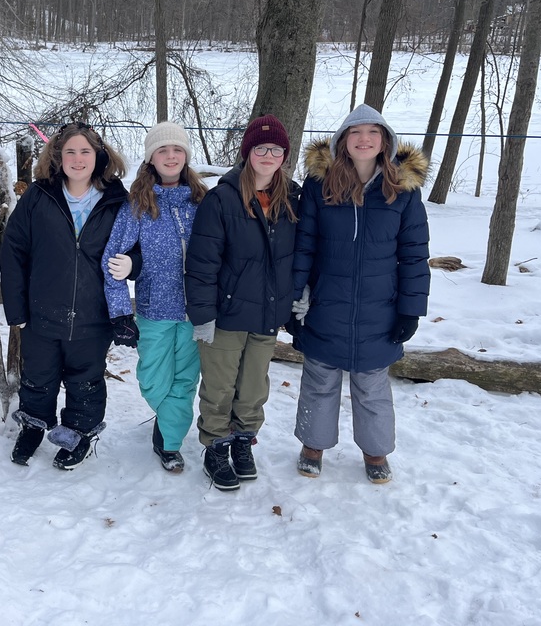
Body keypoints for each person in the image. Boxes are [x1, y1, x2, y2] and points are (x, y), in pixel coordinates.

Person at [288, 103, 430, 485]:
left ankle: (375, 450)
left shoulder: (402, 191)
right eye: (355, 132)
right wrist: (293, 298)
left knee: (372, 386)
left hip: (379, 309)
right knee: (319, 380)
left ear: (385, 141)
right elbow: (304, 246)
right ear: (342, 141)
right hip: (326, 304)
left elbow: (414, 254)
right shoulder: (319, 187)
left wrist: (410, 310)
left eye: (373, 132)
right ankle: (313, 445)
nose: (364, 140)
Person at [0, 121, 129, 470]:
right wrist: (16, 306)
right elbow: (13, 250)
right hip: (42, 310)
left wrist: (133, 263)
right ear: (57, 156)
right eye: (69, 151)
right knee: (38, 377)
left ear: (99, 155)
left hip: (94, 313)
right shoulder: (38, 197)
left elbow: (138, 246)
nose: (77, 158)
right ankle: (33, 427)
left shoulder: (118, 201)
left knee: (85, 380)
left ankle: (79, 432)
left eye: (85, 151)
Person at [184, 115, 300, 491]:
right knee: (219, 388)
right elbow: (201, 264)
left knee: (253, 388)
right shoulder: (222, 198)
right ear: (247, 152)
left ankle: (242, 440)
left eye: (276, 149)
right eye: (260, 148)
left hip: (267, 313)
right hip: (226, 316)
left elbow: (301, 256)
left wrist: (297, 300)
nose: (269, 155)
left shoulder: (293, 198)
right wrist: (202, 315)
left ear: (285, 155)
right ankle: (216, 445)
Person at [101, 121, 209, 473]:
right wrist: (120, 313)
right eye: (163, 150)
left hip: (196, 312)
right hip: (153, 309)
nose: (171, 155)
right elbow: (113, 259)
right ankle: (168, 417)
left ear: (186, 156)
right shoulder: (138, 205)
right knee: (153, 379)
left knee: (185, 380)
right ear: (151, 158)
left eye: (177, 149)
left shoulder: (202, 201)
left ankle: (169, 441)